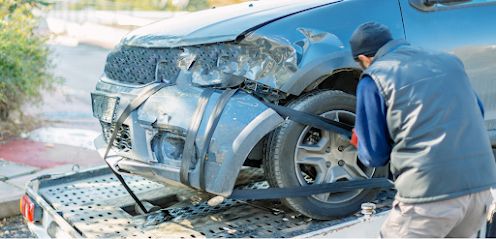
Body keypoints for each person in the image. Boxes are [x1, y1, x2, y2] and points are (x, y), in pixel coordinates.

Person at [349, 22, 496, 237]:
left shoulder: (374, 78)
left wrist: (360, 139)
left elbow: (374, 155)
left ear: (364, 58)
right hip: (481, 190)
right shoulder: (449, 61)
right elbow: (477, 113)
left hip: (430, 198)